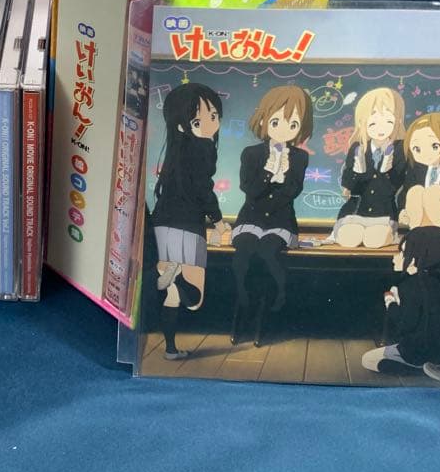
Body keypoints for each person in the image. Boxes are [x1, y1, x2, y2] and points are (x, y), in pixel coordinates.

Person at [150, 82, 229, 360]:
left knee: (172, 296)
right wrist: (218, 221)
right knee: (194, 299)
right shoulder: (203, 148)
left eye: (213, 116)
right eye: (198, 121)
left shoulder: (176, 150)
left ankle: (170, 349)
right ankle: (178, 276)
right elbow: (202, 189)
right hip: (188, 224)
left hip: (162, 222)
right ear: (182, 125)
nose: (209, 124)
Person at [231, 85, 312, 312]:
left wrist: (282, 173)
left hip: (281, 221)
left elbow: (293, 191)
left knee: (268, 251)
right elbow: (249, 189)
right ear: (263, 120)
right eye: (276, 121)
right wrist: (269, 172)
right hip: (250, 218)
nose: (284, 129)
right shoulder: (251, 153)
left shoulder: (299, 157)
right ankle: (242, 295)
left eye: (293, 124)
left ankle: (280, 295)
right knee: (244, 249)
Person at [361, 225, 440, 379]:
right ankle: (430, 366)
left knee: (368, 359)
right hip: (438, 350)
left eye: (403, 253)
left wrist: (391, 302)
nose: (396, 257)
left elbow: (405, 324)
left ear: (418, 258)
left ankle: (419, 371)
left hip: (414, 352)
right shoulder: (437, 283)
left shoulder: (410, 286)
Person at [331, 87, 407, 248]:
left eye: (388, 121)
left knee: (374, 241)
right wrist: (357, 173)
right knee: (348, 240)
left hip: (383, 214)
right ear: (362, 122)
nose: (381, 127)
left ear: (398, 121)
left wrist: (386, 171)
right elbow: (348, 187)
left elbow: (396, 186)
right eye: (373, 121)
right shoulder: (357, 148)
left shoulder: (400, 149)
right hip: (355, 212)